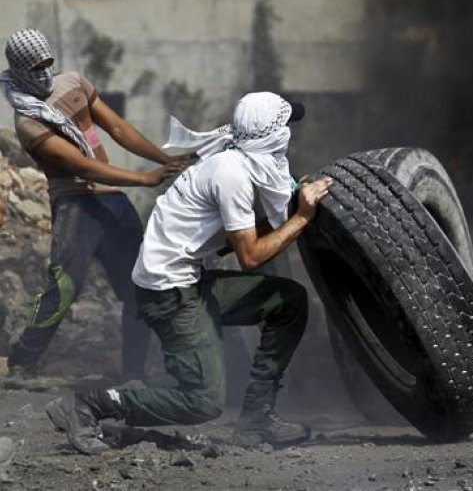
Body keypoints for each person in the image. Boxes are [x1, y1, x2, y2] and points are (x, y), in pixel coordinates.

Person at [46, 91, 332, 454]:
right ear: (272, 136)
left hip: (188, 280)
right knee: (204, 402)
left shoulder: (236, 161)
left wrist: (293, 208)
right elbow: (249, 255)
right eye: (286, 127)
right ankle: (90, 405)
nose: (290, 135)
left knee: (288, 300)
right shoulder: (232, 174)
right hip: (169, 292)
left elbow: (234, 240)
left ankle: (257, 417)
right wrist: (303, 217)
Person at [1, 28, 189, 383]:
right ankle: (23, 360)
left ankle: (133, 372)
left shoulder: (73, 83)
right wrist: (143, 178)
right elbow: (79, 165)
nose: (43, 72)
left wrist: (163, 158)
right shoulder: (27, 120)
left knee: (140, 288)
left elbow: (118, 128)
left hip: (112, 200)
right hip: (76, 206)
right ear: (20, 70)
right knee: (65, 287)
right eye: (34, 67)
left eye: (47, 64)